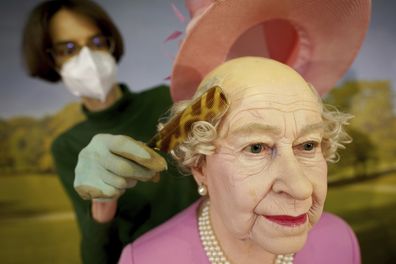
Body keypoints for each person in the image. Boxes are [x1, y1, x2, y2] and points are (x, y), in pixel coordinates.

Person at [119, 56, 360, 264]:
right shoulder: (144, 260)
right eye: (256, 148)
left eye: (308, 145)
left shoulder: (340, 242)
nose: (300, 188)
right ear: (200, 167)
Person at [21, 1, 198, 263]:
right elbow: (97, 257)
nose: (88, 58)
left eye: (97, 42)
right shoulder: (67, 147)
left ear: (111, 44)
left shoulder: (167, 100)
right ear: (50, 59)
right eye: (68, 49)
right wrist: (102, 205)